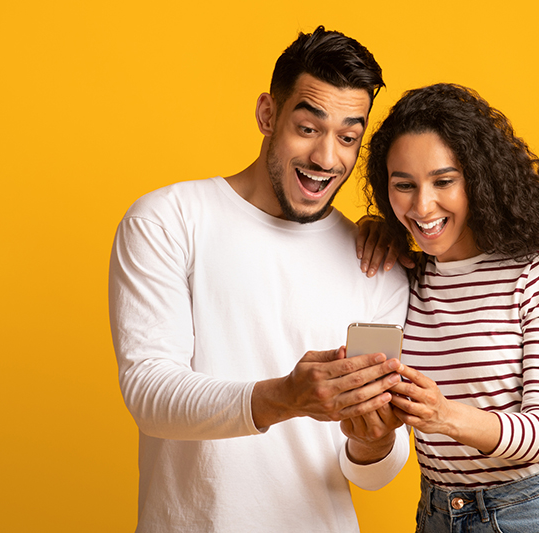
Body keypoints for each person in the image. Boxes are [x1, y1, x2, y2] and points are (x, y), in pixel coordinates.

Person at [108, 26, 411, 533]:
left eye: (348, 137)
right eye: (308, 127)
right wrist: (284, 397)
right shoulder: (168, 220)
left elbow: (377, 472)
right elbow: (150, 394)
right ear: (268, 114)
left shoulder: (374, 263)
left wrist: (376, 440)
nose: (326, 157)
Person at [362, 83, 539, 532]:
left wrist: (444, 416)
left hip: (532, 513)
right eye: (404, 185)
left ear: (477, 179)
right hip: (437, 512)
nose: (422, 205)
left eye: (444, 181)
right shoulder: (409, 275)